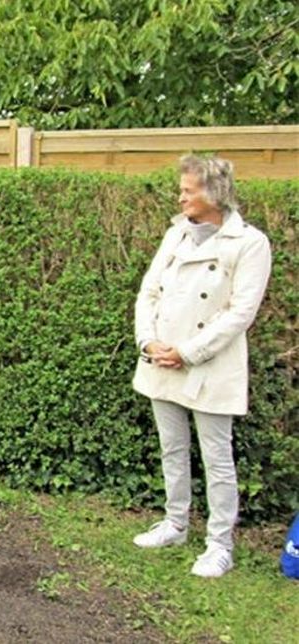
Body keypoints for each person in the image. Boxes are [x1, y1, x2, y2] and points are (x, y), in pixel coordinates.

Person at [131, 155, 272, 577]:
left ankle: (219, 544)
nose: (181, 196)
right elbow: (149, 292)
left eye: (188, 190)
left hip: (209, 365)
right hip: (161, 358)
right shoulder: (175, 235)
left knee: (217, 457)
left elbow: (240, 313)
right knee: (172, 448)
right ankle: (175, 523)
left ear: (214, 193)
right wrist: (148, 340)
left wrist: (188, 352)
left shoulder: (249, 243)